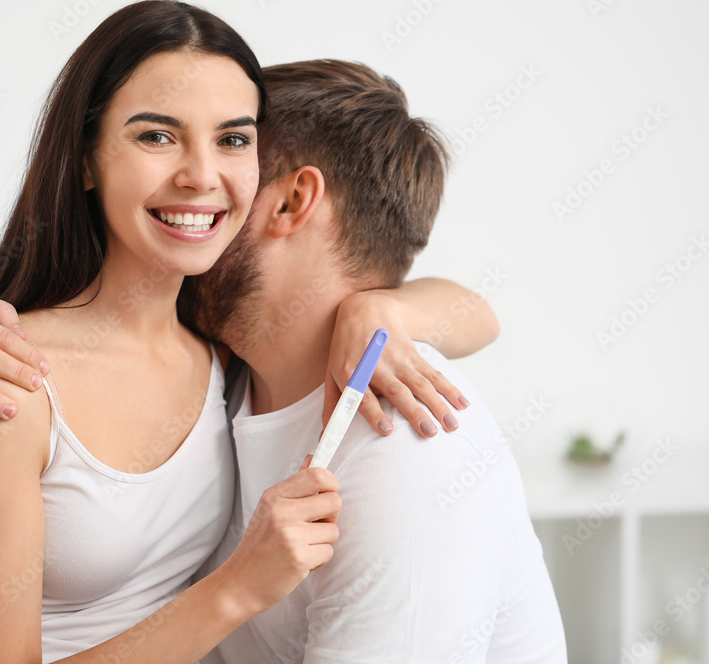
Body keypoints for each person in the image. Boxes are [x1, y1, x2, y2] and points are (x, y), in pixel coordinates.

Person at [0, 0, 495, 664]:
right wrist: (236, 589)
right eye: (156, 136)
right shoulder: (3, 376)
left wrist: (384, 312)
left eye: (233, 139)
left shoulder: (222, 348)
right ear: (85, 161)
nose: (200, 175)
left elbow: (478, 312)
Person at [181, 60, 568, 663]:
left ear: (291, 200)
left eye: (232, 151)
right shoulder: (222, 372)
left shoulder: (409, 446)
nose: (194, 186)